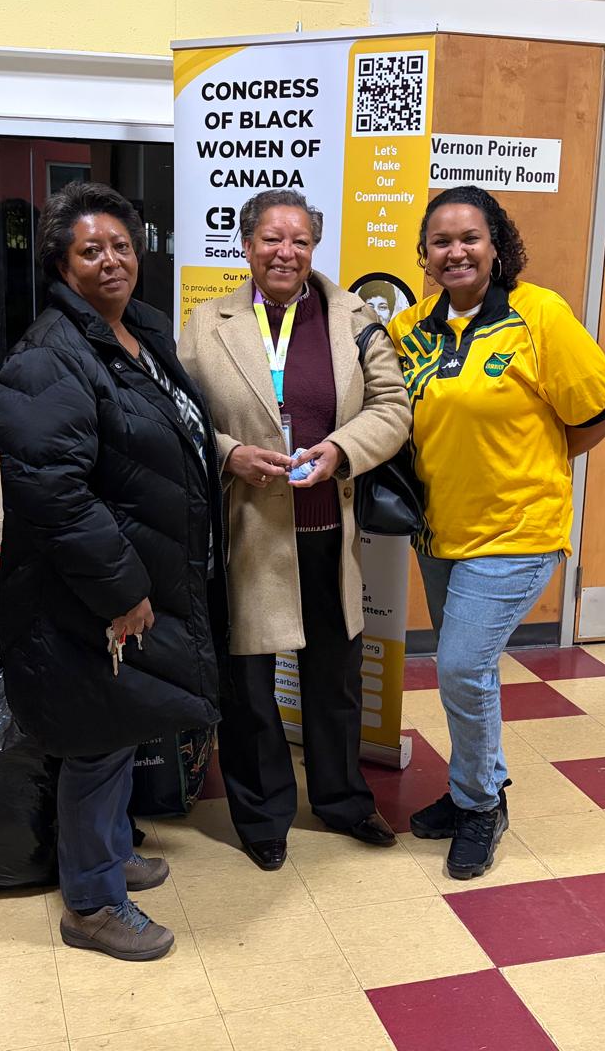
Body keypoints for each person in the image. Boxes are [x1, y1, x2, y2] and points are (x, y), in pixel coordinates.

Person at [0, 182, 226, 961]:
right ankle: (91, 904)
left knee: (121, 725)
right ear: (63, 265)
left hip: (138, 574)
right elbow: (54, 495)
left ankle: (110, 851)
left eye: (122, 246)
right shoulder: (46, 359)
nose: (111, 260)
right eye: (91, 250)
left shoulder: (139, 333)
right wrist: (123, 590)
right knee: (96, 738)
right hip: (87, 593)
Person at [387, 185, 605, 881]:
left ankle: (481, 804)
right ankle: (473, 788)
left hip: (519, 530)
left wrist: (540, 462)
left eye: (470, 238)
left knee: (461, 665)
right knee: (467, 671)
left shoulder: (538, 314)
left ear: (496, 246)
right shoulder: (410, 329)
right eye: (441, 241)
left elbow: (603, 408)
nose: (455, 252)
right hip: (440, 532)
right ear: (424, 254)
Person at [180, 188, 411, 871]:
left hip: (328, 531)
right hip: (249, 531)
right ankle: (262, 816)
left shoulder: (353, 317)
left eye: (301, 241)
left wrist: (341, 449)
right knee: (249, 685)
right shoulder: (206, 323)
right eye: (272, 239)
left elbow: (392, 407)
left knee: (335, 680)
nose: (286, 252)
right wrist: (228, 454)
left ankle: (343, 801)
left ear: (315, 247)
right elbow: (179, 416)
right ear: (246, 245)